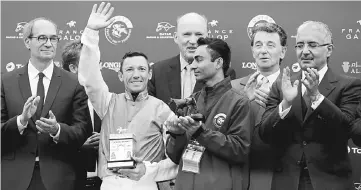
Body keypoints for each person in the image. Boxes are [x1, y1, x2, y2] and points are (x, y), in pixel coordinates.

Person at [77, 2, 178, 190]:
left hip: (145, 183)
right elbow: (89, 77)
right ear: (120, 75)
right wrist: (91, 32)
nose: (136, 74)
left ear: (149, 74)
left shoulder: (162, 109)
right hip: (110, 183)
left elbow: (176, 155)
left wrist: (148, 170)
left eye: (141, 69)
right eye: (129, 69)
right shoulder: (108, 102)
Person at [258, 21, 361, 190]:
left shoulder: (348, 85)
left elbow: (348, 129)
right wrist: (286, 103)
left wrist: (317, 97)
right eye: (299, 45)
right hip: (287, 181)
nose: (304, 51)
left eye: (312, 45)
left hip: (330, 181)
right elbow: (265, 134)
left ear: (329, 49)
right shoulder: (282, 85)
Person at [1, 17, 91, 190]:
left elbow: (82, 131)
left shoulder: (74, 83)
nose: (49, 43)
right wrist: (21, 120)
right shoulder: (6, 82)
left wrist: (57, 130)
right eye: (42, 38)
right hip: (14, 178)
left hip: (61, 178)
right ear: (27, 42)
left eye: (53, 38)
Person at [166, 37, 252, 190]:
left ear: (218, 63)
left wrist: (201, 133)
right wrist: (175, 135)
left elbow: (240, 150)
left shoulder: (239, 102)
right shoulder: (191, 100)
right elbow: (174, 156)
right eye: (192, 61)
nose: (192, 66)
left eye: (198, 60)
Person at [231, 22, 287, 190]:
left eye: (270, 45)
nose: (264, 50)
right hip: (239, 175)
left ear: (283, 51)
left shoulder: (294, 88)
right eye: (258, 45)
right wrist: (246, 103)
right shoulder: (233, 87)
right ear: (252, 51)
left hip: (278, 174)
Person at [148, 12, 236, 105]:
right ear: (175, 37)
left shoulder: (225, 73)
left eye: (198, 34)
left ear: (208, 36)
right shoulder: (157, 72)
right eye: (187, 34)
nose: (193, 41)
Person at [61, 39, 102, 190]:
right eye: (91, 63)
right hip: (70, 182)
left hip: (104, 182)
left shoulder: (105, 100)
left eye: (99, 63)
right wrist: (78, 146)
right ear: (73, 67)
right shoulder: (56, 101)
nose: (98, 68)